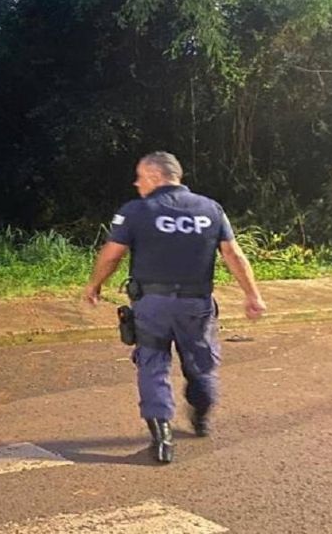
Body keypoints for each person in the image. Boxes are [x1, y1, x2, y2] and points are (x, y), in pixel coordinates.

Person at [83, 151, 266, 463]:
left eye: (140, 177)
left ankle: (162, 437)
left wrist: (94, 285)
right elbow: (233, 254)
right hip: (196, 304)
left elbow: (112, 255)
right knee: (201, 363)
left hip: (152, 305)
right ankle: (201, 416)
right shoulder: (210, 209)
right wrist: (253, 295)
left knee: (152, 363)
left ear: (155, 177)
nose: (137, 183)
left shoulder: (136, 211)